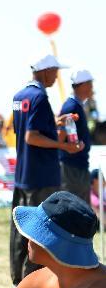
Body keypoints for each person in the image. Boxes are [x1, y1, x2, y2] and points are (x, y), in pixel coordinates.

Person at [10, 55, 83, 286]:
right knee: (39, 230)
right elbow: (32, 137)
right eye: (54, 71)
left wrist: (55, 123)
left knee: (19, 228)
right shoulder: (40, 97)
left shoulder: (20, 95)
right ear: (45, 71)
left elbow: (27, 130)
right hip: (41, 174)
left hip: (23, 174)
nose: (56, 76)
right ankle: (32, 282)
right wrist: (64, 146)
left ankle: (18, 278)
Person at [59, 69, 95, 202]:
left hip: (77, 165)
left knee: (80, 206)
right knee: (74, 206)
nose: (92, 88)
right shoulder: (71, 107)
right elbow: (61, 137)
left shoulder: (76, 106)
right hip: (72, 168)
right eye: (90, 84)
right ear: (83, 85)